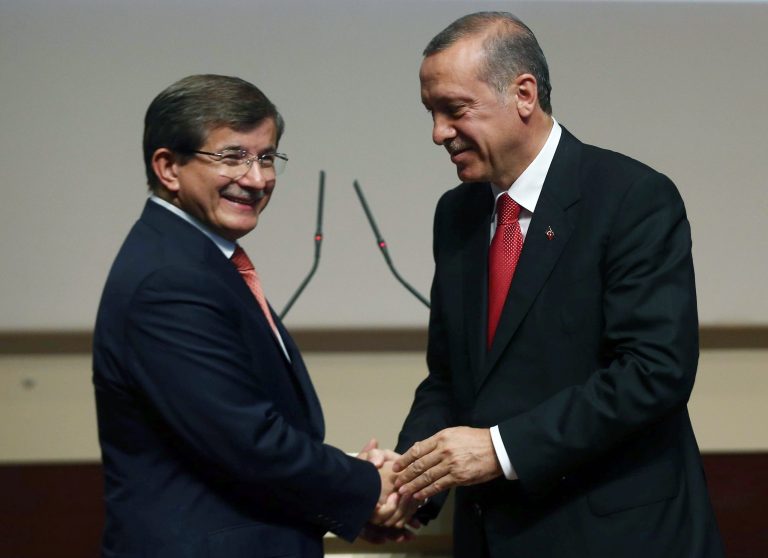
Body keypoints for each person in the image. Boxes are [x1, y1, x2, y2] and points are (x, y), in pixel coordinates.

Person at [388, 12, 725, 557]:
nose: (439, 134)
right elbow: (450, 381)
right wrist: (409, 481)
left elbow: (653, 372)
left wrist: (500, 450)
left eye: (455, 110)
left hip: (616, 537)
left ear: (523, 94)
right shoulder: (456, 216)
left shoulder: (629, 197)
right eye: (431, 113)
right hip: (494, 536)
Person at [92, 74, 398, 558]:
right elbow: (249, 442)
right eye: (232, 157)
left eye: (267, 157)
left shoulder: (197, 260)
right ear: (169, 167)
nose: (257, 179)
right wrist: (369, 488)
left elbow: (243, 430)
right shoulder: (169, 280)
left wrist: (352, 487)